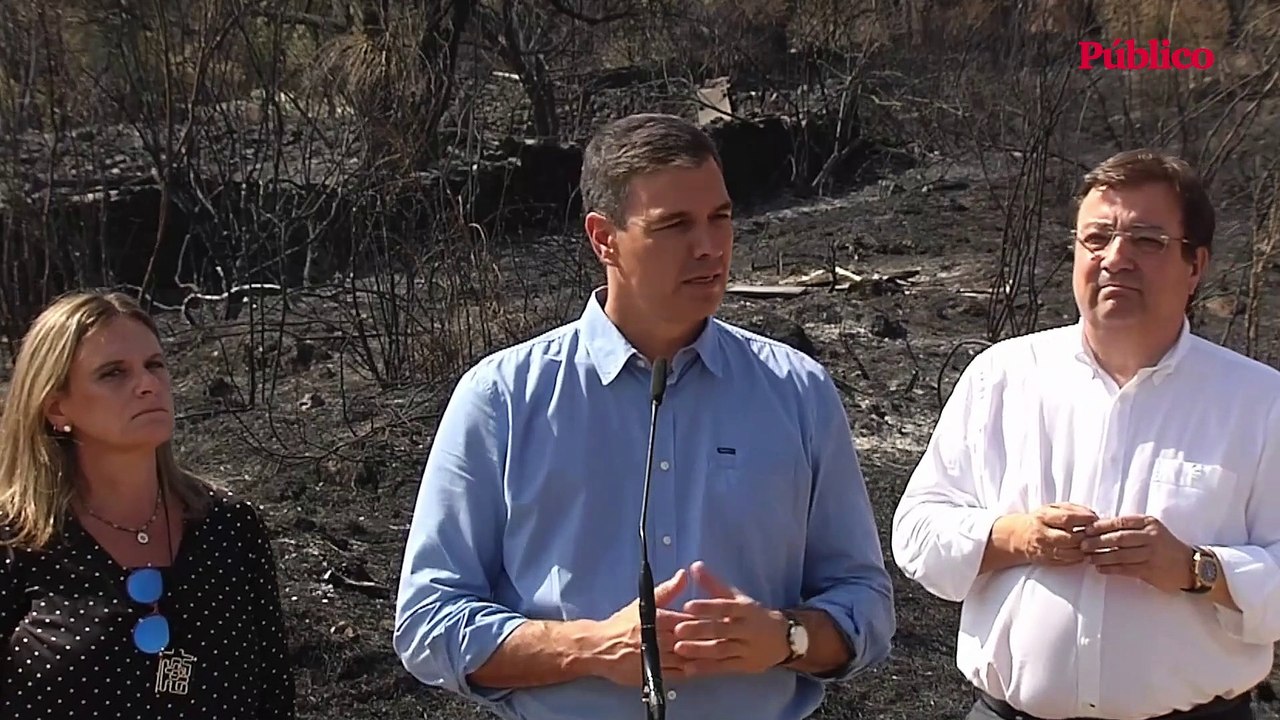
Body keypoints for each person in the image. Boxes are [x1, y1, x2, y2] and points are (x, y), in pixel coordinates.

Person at [393, 112, 895, 720]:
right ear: (604, 238)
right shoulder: (502, 399)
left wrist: (786, 638)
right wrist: (591, 648)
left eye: (721, 217)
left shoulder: (797, 391)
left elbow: (865, 603)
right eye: (675, 225)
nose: (709, 246)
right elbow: (428, 621)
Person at [891, 148, 1280, 720]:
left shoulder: (1259, 401)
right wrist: (1013, 536)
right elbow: (917, 532)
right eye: (1096, 238)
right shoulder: (1002, 376)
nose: (1115, 259)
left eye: (1147, 241)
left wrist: (1199, 570)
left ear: (1196, 265)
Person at [0, 290, 295, 719]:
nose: (148, 384)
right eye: (114, 373)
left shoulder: (230, 527)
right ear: (56, 406)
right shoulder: (16, 542)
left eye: (155, 365)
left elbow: (275, 698)